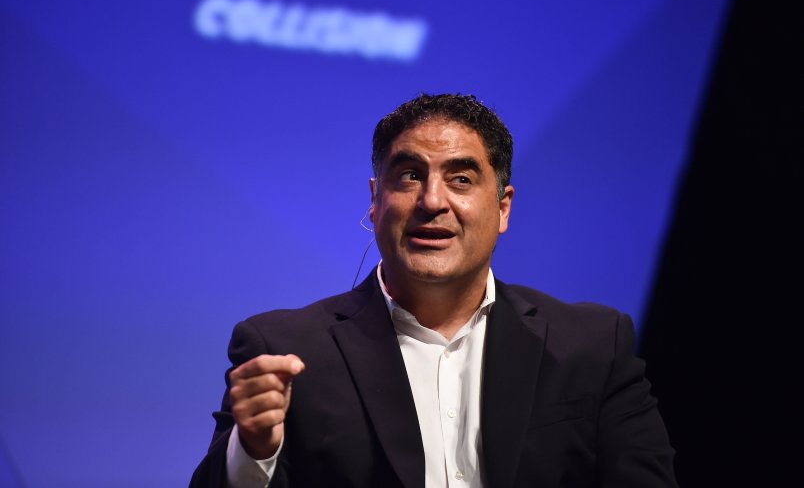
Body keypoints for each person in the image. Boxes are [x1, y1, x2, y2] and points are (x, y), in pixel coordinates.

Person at [190, 93, 678, 488]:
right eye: (409, 176)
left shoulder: (591, 345)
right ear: (376, 200)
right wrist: (254, 452)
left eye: (461, 179)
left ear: (503, 207)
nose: (432, 201)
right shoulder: (285, 350)